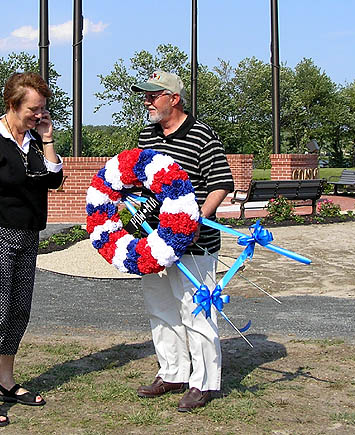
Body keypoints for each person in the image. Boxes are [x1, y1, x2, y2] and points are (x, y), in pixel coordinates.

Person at [130, 71, 234, 411]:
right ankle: (172, 371)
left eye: (153, 95)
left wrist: (196, 218)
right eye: (145, 96)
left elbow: (221, 183)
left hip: (195, 242)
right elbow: (144, 178)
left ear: (173, 98)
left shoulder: (202, 135)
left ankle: (203, 382)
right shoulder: (148, 135)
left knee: (196, 311)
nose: (146, 101)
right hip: (155, 240)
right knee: (160, 308)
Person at [0, 72, 63, 427]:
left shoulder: (34, 141)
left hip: (27, 236)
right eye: (34, 110)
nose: (39, 115)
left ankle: (7, 381)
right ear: (13, 105)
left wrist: (48, 138)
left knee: (19, 311)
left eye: (43, 109)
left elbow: (54, 180)